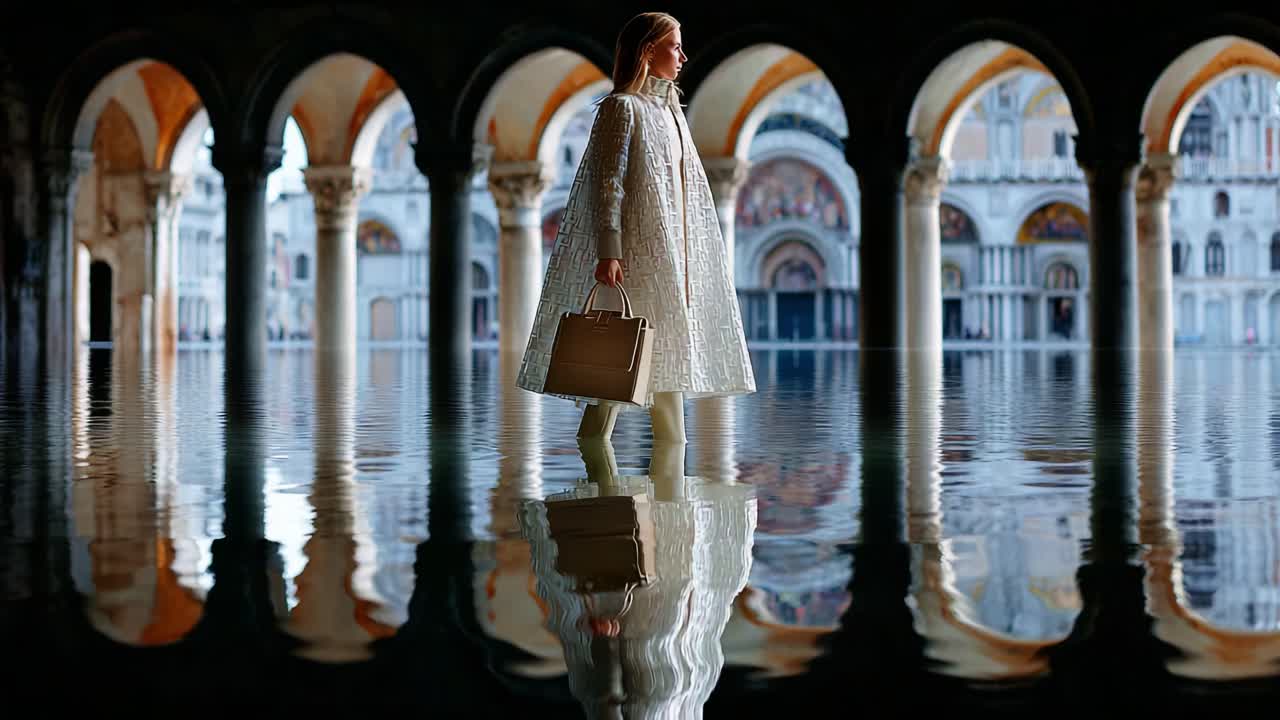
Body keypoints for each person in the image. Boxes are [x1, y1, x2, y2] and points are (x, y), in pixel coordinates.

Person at [517, 11, 755, 443]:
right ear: (648, 50)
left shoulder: (672, 115)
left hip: (674, 259)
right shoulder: (620, 109)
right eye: (674, 45)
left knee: (663, 356)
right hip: (634, 258)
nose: (683, 55)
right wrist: (609, 251)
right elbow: (607, 183)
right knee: (618, 361)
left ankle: (664, 463)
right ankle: (599, 454)